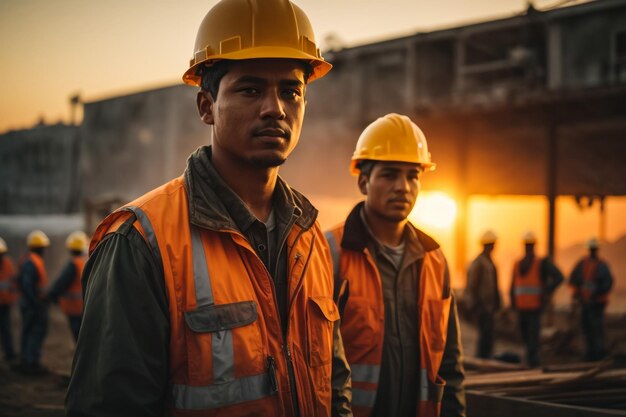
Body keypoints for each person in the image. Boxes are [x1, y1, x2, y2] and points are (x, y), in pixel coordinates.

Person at [66, 1, 352, 416]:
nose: (275, 108)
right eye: (250, 89)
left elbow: (334, 384)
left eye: (291, 91)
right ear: (206, 107)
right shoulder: (139, 242)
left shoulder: (309, 238)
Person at [326, 113, 466, 417]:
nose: (403, 187)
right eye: (389, 175)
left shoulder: (434, 259)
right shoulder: (329, 254)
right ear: (364, 181)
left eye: (412, 176)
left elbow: (450, 363)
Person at [509, 231, 563, 367]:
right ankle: (529, 364)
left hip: (534, 309)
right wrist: (512, 305)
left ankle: (532, 366)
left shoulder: (541, 264)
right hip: (521, 309)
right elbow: (513, 286)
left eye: (530, 245)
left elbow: (559, 277)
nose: (528, 248)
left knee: (533, 341)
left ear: (533, 246)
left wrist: (547, 291)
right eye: (527, 245)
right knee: (525, 339)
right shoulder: (517, 264)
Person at [569, 237, 613, 361]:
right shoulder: (582, 264)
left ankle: (599, 352)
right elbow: (573, 279)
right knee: (586, 328)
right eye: (591, 249)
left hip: (597, 303)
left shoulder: (602, 266)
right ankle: (590, 353)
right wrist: (578, 292)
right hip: (585, 303)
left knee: (596, 328)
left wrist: (598, 293)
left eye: (594, 249)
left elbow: (608, 283)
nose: (592, 251)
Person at [18, 230, 50, 375]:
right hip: (32, 304)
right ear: (39, 247)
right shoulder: (32, 262)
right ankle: (31, 362)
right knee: (35, 331)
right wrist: (35, 302)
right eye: (43, 247)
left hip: (29, 303)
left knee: (28, 331)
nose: (44, 250)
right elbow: (27, 285)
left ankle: (27, 360)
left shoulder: (31, 260)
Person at [465, 230, 501, 359]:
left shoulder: (489, 262)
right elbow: (472, 286)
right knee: (484, 335)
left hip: (489, 307)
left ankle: (486, 359)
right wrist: (476, 305)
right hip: (482, 307)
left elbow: (494, 285)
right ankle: (482, 360)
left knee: (488, 336)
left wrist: (497, 302)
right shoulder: (479, 263)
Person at [48, 231, 88, 342]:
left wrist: (51, 296)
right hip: (86, 306)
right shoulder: (86, 262)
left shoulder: (73, 265)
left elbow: (61, 283)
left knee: (79, 338)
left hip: (74, 308)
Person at [0, 237, 18, 362]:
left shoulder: (8, 263)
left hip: (5, 303)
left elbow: (13, 281)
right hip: (5, 302)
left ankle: (9, 353)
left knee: (6, 328)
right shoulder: (7, 263)